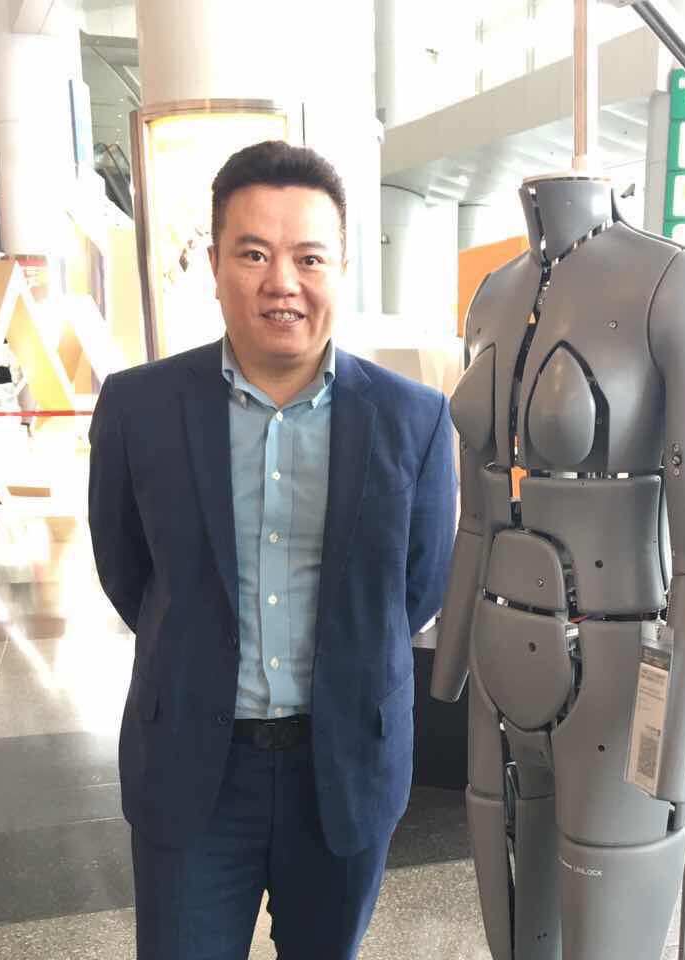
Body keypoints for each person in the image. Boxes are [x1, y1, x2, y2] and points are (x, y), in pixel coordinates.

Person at [88, 140, 457, 960]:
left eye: (308, 257)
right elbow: (127, 571)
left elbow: (417, 590)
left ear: (341, 268)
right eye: (253, 253)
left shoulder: (415, 419)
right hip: (192, 766)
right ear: (215, 265)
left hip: (344, 770)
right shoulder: (139, 408)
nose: (281, 281)